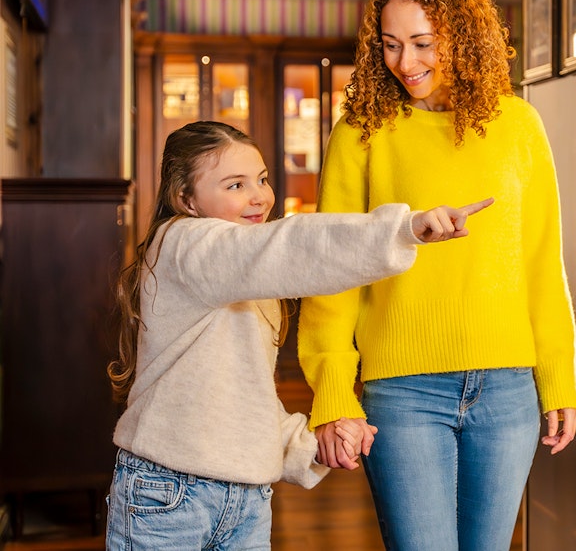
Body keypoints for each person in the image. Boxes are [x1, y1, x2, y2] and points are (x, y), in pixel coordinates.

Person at [297, 0, 576, 551]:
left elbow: (540, 265)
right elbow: (333, 270)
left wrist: (559, 378)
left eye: (423, 43)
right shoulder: (362, 131)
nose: (406, 63)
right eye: (392, 45)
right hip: (401, 391)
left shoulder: (519, 128)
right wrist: (332, 389)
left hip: (508, 389)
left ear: (464, 37)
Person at [105, 120, 490, 550]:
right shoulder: (183, 243)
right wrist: (403, 229)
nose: (259, 197)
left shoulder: (238, 277)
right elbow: (290, 244)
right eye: (235, 185)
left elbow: (245, 400)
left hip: (246, 500)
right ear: (186, 199)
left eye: (262, 179)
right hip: (169, 495)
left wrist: (310, 448)